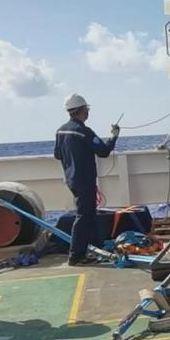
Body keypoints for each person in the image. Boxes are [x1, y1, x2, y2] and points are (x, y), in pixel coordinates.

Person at [54, 93, 119, 266]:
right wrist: (114, 136)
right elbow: (103, 151)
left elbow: (57, 154)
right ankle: (76, 255)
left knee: (88, 215)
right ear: (83, 110)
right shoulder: (83, 131)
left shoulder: (61, 131)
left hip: (72, 180)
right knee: (84, 216)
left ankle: (88, 249)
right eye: (87, 109)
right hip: (85, 181)